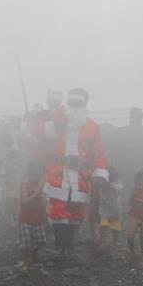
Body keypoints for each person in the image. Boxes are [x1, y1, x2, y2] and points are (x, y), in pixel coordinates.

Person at [32, 88, 108, 260]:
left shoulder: (91, 126)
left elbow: (99, 153)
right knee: (57, 212)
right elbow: (37, 131)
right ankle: (60, 246)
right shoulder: (56, 119)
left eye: (78, 103)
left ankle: (69, 245)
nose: (75, 106)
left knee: (75, 213)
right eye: (72, 103)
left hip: (80, 177)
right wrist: (56, 122)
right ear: (68, 103)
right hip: (57, 174)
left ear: (84, 105)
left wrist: (99, 172)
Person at [18, 161, 46, 270]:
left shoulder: (40, 184)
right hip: (26, 217)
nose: (37, 174)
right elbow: (25, 201)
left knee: (40, 240)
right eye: (35, 171)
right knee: (26, 243)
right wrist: (37, 192)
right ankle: (25, 262)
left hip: (38, 216)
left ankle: (32, 257)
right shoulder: (25, 183)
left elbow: (44, 200)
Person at [98, 166, 123, 251]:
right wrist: (103, 184)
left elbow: (118, 191)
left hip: (114, 210)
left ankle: (115, 243)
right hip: (104, 209)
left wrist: (110, 185)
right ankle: (103, 243)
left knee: (115, 227)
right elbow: (100, 190)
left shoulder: (117, 183)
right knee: (103, 226)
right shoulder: (102, 183)